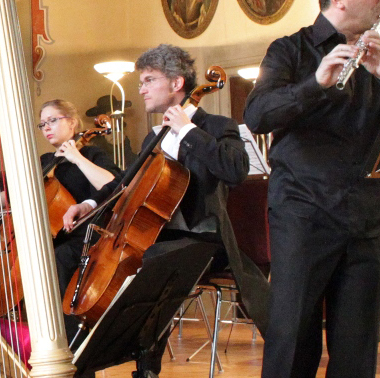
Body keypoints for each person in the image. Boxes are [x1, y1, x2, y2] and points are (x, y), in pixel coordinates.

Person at [244, 0, 380, 378]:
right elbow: (257, 115)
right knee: (292, 343)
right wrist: (315, 84)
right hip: (304, 217)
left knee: (356, 353)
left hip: (366, 221)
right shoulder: (290, 51)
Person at [63, 45, 257, 378]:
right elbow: (125, 183)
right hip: (154, 237)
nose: (141, 89)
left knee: (150, 270)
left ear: (177, 83)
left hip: (202, 237)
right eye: (141, 81)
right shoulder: (153, 138)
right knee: (75, 262)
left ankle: (140, 368)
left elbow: (236, 170)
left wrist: (188, 130)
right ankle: (81, 360)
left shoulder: (216, 126)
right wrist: (89, 204)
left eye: (149, 80)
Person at [34, 99, 117, 294]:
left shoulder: (91, 154)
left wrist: (76, 158)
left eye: (52, 120)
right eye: (42, 124)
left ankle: (67, 323)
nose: (46, 127)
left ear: (71, 122)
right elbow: (15, 195)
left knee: (59, 256)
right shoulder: (45, 161)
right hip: (52, 235)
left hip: (85, 234)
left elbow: (112, 184)